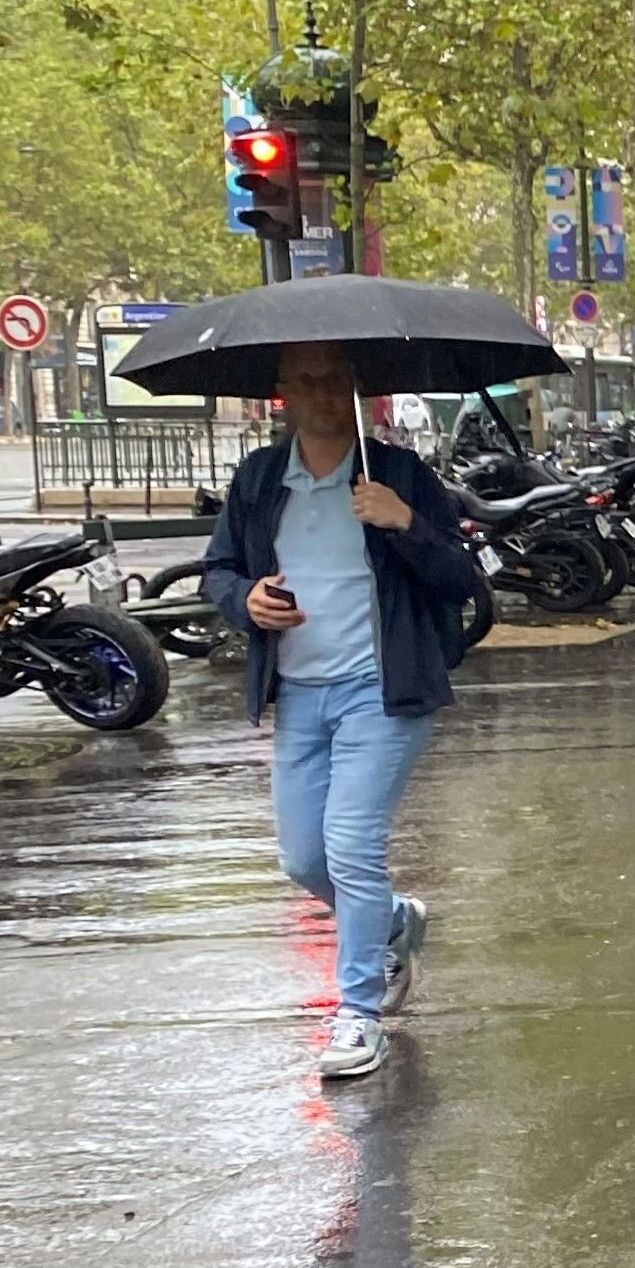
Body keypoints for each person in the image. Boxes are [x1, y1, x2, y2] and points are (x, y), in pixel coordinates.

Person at [197, 343, 485, 1081]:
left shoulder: (398, 474)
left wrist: (402, 522)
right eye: (310, 381)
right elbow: (219, 572)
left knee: (352, 847)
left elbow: (461, 579)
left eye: (339, 380)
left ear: (359, 389)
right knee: (303, 858)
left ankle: (358, 1014)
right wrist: (246, 602)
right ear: (282, 393)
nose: (326, 394)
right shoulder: (262, 479)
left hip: (382, 692)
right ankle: (392, 921)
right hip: (298, 692)